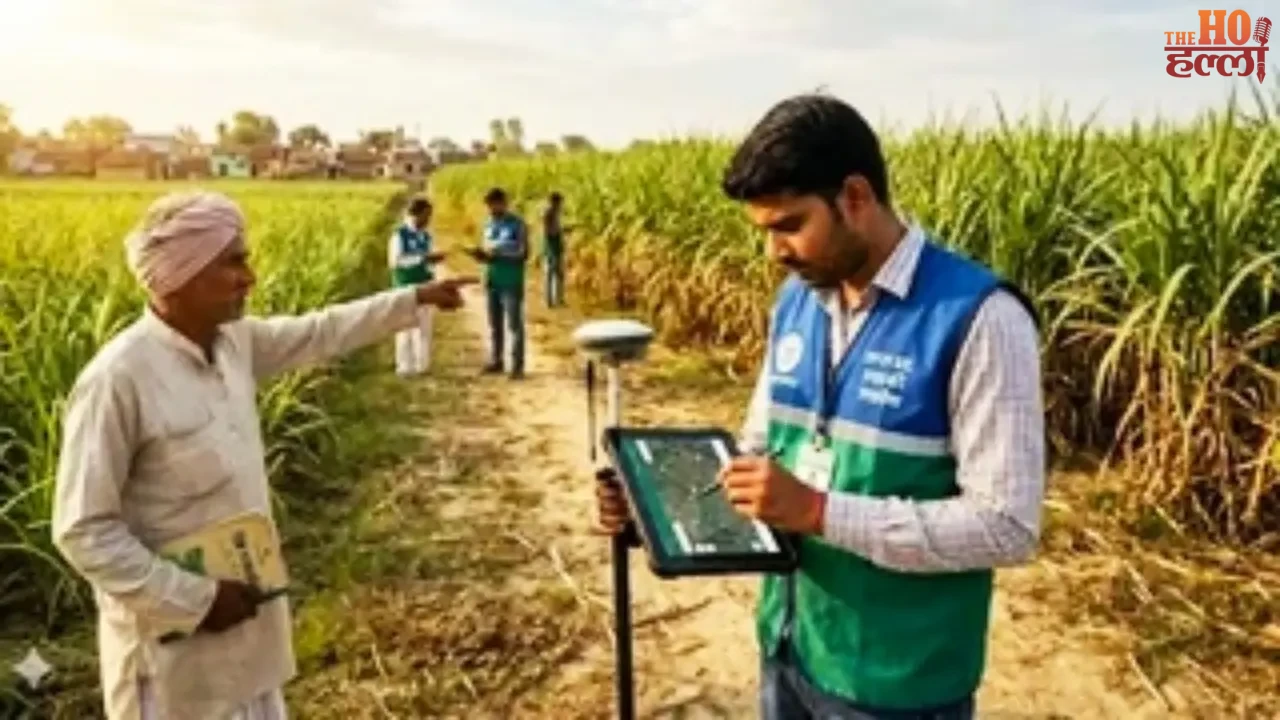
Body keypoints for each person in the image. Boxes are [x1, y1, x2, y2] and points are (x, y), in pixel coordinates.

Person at [594, 94, 1046, 719]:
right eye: (765, 232)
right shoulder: (798, 301)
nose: (774, 251)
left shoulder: (980, 318)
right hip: (790, 646)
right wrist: (651, 503)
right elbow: (757, 449)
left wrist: (817, 511)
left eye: (789, 225)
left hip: (897, 684)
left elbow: (1007, 526)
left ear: (855, 198)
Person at [50, 190, 475, 720]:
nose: (249, 276)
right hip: (172, 664)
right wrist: (196, 599)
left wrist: (416, 299)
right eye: (233, 261)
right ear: (180, 275)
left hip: (250, 638)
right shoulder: (118, 380)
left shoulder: (233, 344)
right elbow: (83, 531)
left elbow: (321, 331)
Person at [469, 187, 528, 379]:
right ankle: (497, 360)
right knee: (495, 324)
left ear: (503, 202)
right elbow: (488, 253)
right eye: (488, 206)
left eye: (493, 205)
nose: (490, 209)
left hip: (510, 280)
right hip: (492, 280)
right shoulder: (488, 225)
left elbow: (523, 253)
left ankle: (517, 365)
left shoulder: (518, 225)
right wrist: (480, 256)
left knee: (514, 325)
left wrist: (498, 254)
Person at [388, 195, 446, 376]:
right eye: (426, 215)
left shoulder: (426, 236)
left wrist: (433, 260)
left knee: (424, 327)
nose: (429, 220)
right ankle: (405, 366)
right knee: (405, 327)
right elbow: (396, 262)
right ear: (417, 214)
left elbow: (427, 259)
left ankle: (422, 366)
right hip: (405, 285)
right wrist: (422, 258)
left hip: (425, 285)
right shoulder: (400, 235)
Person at [542, 192, 566, 307]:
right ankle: (551, 301)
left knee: (556, 274)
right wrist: (560, 232)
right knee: (552, 273)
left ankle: (556, 300)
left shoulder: (554, 213)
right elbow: (548, 232)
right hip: (552, 246)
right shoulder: (549, 213)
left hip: (555, 246)